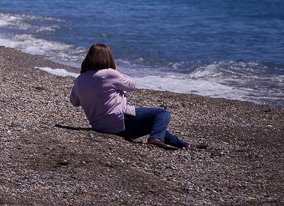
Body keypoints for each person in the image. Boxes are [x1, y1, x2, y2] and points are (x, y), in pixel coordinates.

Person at [69, 43, 206, 149]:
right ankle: (155, 139)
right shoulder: (109, 73)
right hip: (119, 122)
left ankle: (185, 145)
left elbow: (74, 102)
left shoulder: (80, 79)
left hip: (99, 126)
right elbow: (131, 85)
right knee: (162, 114)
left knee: (154, 125)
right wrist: (116, 70)